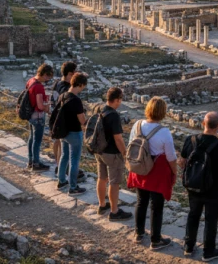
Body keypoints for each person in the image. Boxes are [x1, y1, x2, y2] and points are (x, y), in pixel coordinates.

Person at [179, 112, 218, 261]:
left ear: (203, 123)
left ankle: (188, 247)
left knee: (193, 214)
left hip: (193, 186)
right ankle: (208, 252)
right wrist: (215, 177)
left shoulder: (190, 140)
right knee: (211, 219)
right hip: (213, 188)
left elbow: (182, 161)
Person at [128, 97, 177, 251]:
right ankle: (155, 240)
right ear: (163, 112)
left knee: (141, 201)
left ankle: (139, 233)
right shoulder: (164, 132)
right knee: (156, 206)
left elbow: (131, 143)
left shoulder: (137, 125)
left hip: (140, 168)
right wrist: (174, 173)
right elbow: (171, 157)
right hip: (157, 173)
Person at [96, 87, 131, 221]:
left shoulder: (101, 109)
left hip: (100, 151)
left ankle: (102, 205)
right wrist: (124, 153)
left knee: (101, 178)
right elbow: (118, 138)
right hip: (112, 153)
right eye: (121, 99)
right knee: (114, 182)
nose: (121, 101)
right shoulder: (114, 115)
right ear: (116, 100)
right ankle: (115, 211)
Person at [56, 73, 88, 195]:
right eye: (83, 86)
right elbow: (82, 120)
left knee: (64, 156)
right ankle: (73, 187)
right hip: (74, 132)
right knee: (74, 160)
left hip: (63, 132)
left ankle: (61, 181)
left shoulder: (63, 96)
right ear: (80, 85)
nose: (83, 88)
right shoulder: (76, 100)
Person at [50, 61, 78, 175]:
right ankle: (63, 167)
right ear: (70, 73)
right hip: (62, 118)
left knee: (57, 141)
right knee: (63, 143)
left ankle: (58, 165)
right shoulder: (67, 88)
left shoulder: (57, 83)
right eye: (75, 72)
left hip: (54, 115)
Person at [25, 64, 53, 171]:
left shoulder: (31, 81)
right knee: (37, 141)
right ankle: (36, 163)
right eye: (48, 76)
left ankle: (31, 160)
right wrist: (48, 108)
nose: (48, 79)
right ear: (44, 74)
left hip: (30, 115)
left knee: (31, 138)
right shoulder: (39, 87)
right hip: (38, 117)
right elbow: (40, 106)